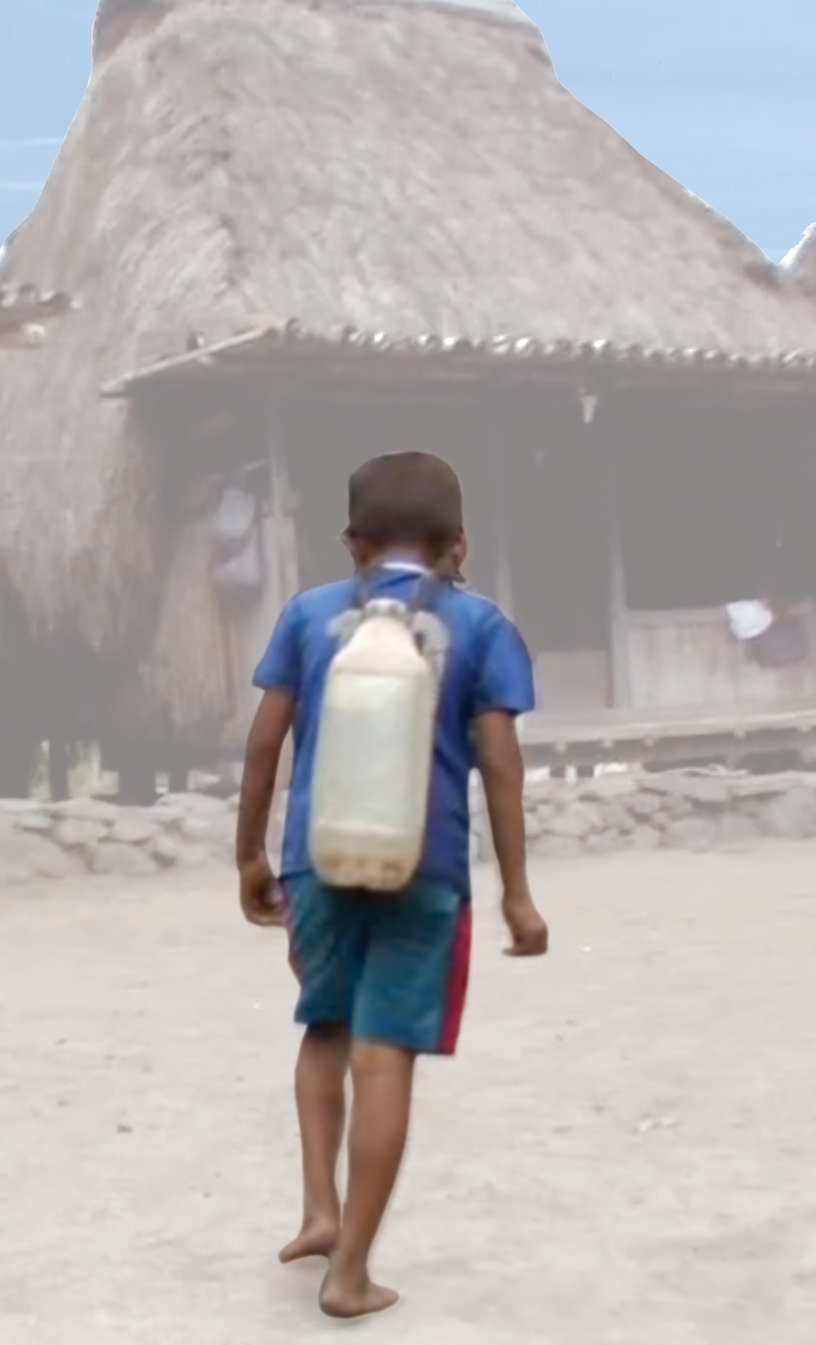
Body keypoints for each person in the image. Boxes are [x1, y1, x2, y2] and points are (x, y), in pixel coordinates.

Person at [235, 450, 550, 1319]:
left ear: (352, 541)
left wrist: (250, 857)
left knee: (324, 1027)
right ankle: (351, 1275)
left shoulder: (307, 616)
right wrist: (517, 892)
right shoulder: (483, 627)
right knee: (385, 1061)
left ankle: (318, 1213)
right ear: (459, 542)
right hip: (426, 868)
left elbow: (265, 744)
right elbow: (501, 766)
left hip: (317, 864)